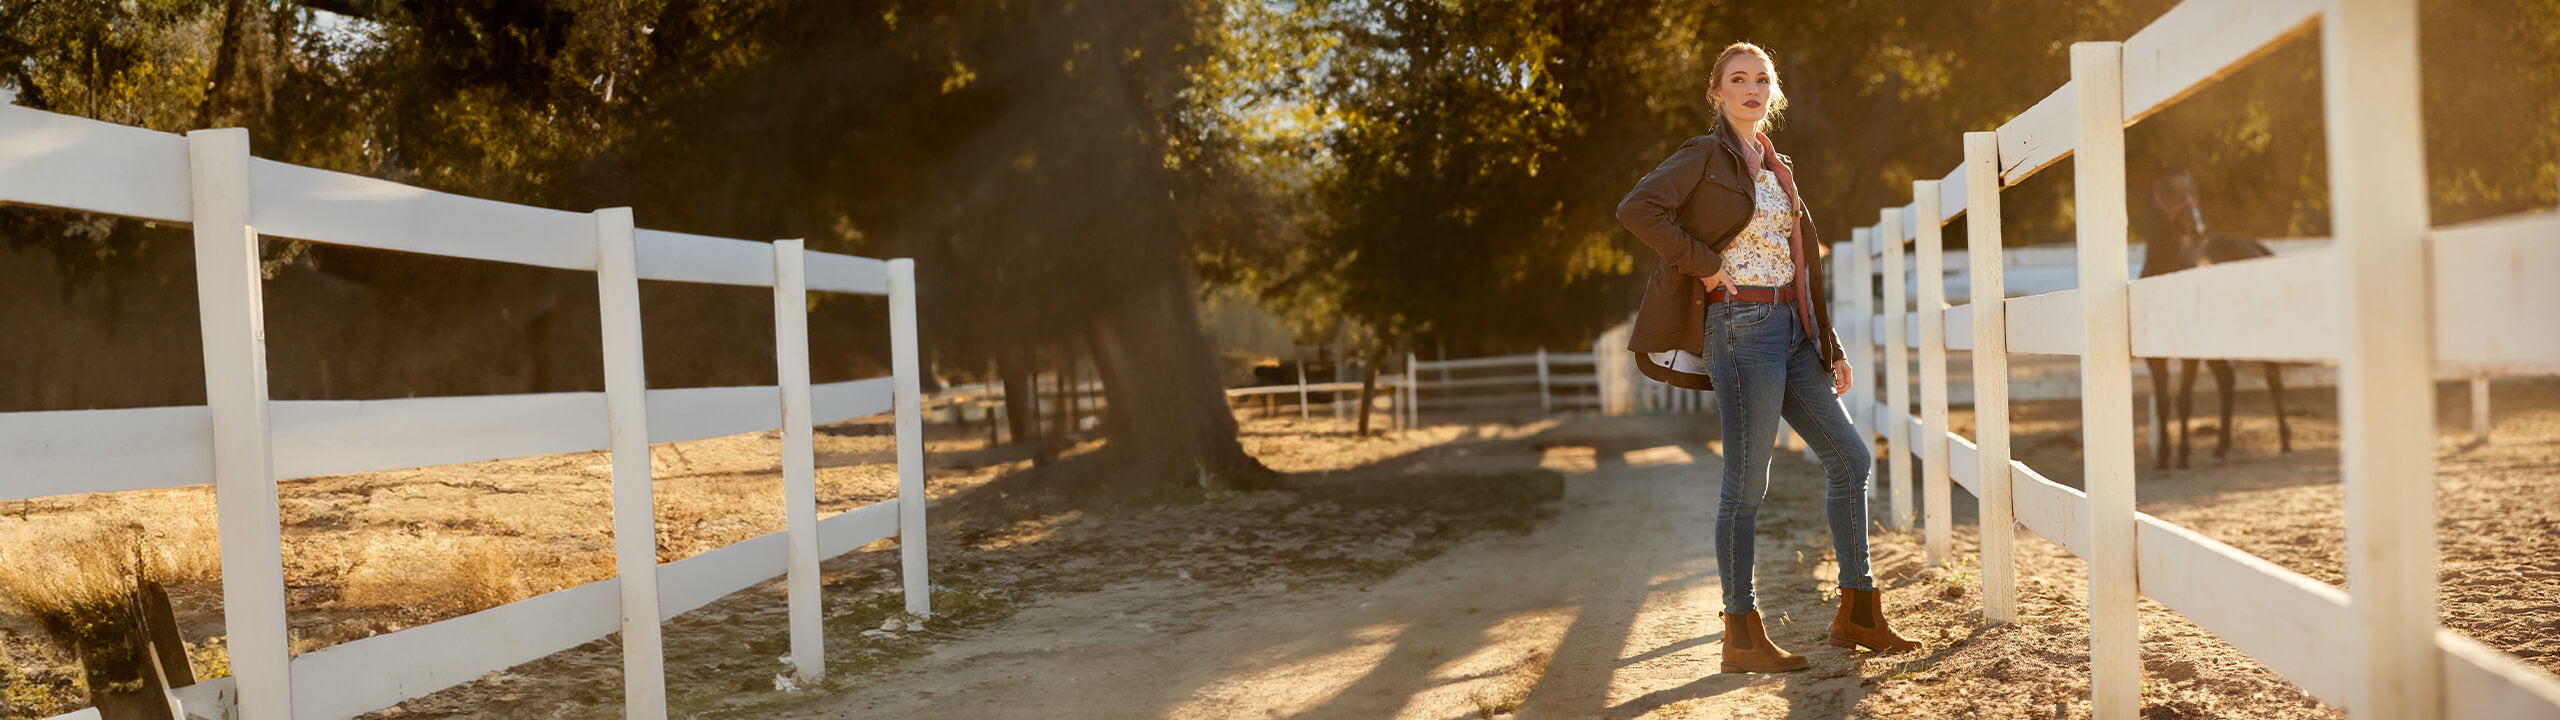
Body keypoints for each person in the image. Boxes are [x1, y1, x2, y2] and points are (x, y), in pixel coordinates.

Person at [1614, 41, 1919, 674]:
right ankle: (1741, 634)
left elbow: (1803, 264)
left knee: (1850, 457)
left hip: (1792, 327)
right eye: (1739, 80)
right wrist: (1704, 266)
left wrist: (1827, 344)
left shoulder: (1778, 169)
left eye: (1762, 80)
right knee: (1748, 485)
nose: (1752, 89)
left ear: (1772, 93)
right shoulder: (1703, 156)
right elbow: (1638, 209)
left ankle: (1858, 613)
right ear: (1718, 93)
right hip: (1739, 327)